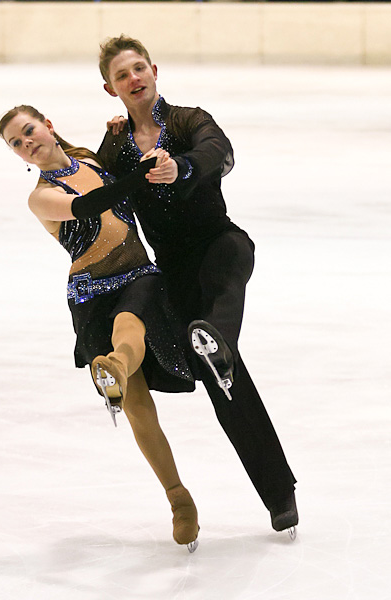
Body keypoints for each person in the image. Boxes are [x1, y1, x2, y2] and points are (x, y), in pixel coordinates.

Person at [95, 35, 298, 535]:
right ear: (110, 88)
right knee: (225, 383)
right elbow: (96, 184)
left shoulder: (188, 120)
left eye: (139, 68)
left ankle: (215, 338)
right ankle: (280, 495)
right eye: (122, 75)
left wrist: (179, 166)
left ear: (155, 70)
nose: (134, 79)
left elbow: (219, 152)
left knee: (228, 278)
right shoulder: (118, 145)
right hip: (177, 275)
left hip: (219, 242)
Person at [0, 105, 200, 551]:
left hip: (138, 275)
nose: (26, 142)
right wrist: (138, 172)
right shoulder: (41, 196)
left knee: (131, 325)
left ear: (48, 125)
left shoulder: (90, 158)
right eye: (16, 142)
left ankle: (115, 366)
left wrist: (121, 134)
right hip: (90, 293)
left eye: (29, 130)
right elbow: (90, 204)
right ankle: (178, 499)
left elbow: (119, 162)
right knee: (139, 409)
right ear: (18, 155)